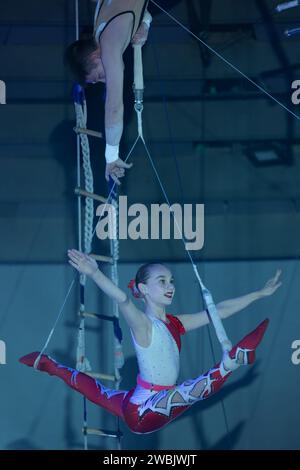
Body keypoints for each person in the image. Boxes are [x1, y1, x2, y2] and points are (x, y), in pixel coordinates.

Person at [20, 250, 281, 434]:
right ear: (143, 289)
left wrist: (261, 293)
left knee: (99, 393)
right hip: (143, 413)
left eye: (171, 281)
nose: (170, 286)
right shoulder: (143, 324)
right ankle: (230, 363)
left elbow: (219, 311)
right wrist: (95, 273)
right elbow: (122, 300)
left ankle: (49, 366)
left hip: (140, 398)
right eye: (162, 281)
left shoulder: (176, 323)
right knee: (193, 391)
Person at [65, 1, 152, 185]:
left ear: (94, 57)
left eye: (99, 75)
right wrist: (144, 25)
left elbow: (114, 108)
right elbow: (139, 9)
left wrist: (111, 156)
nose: (105, 80)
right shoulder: (101, 28)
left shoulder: (108, 47)